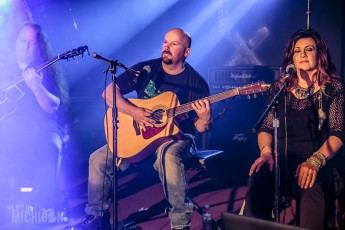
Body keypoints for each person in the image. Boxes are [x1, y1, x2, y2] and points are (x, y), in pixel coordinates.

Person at [74, 28, 211, 230]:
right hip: (141, 138)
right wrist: (134, 112)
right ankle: (98, 217)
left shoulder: (197, 84)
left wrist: (205, 120)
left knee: (167, 155)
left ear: (186, 52)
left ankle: (180, 223)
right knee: (98, 159)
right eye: (165, 42)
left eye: (173, 44)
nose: (166, 47)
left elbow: (200, 129)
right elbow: (109, 92)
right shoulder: (146, 69)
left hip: (177, 138)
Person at [243, 28, 345, 230]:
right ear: (292, 57)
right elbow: (264, 126)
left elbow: (338, 134)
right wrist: (266, 153)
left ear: (320, 54)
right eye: (297, 51)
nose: (303, 54)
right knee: (260, 173)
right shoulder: (279, 88)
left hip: (319, 162)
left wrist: (314, 161)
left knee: (310, 184)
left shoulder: (334, 88)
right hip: (282, 162)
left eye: (309, 49)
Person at [0, 22, 68, 214]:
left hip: (43, 127)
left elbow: (52, 108)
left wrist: (36, 87)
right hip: (11, 128)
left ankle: (43, 208)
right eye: (23, 41)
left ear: (39, 47)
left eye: (32, 43)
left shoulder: (46, 69)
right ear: (15, 42)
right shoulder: (5, 66)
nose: (26, 46)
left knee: (51, 146)